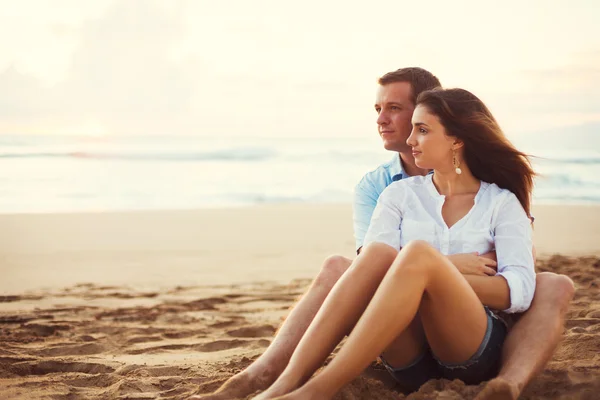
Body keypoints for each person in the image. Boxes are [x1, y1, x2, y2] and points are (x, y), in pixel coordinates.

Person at [190, 68, 575, 400]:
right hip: (406, 352)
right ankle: (281, 386)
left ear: (456, 139)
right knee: (381, 256)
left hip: (466, 345)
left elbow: (520, 291)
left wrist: (435, 273)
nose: (409, 138)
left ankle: (316, 390)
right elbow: (373, 270)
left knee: (417, 255)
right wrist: (445, 270)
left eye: (421, 129)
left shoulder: (499, 202)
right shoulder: (394, 193)